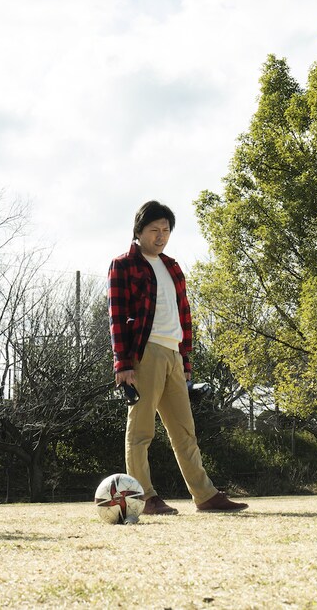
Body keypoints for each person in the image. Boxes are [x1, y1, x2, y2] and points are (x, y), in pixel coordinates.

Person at [108, 200, 247, 515]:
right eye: (154, 230)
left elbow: (185, 317)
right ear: (139, 231)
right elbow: (116, 319)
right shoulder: (123, 264)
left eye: (166, 230)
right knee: (141, 431)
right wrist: (123, 364)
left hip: (173, 352)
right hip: (144, 354)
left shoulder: (172, 267)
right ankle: (144, 498)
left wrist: (185, 363)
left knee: (185, 431)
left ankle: (206, 496)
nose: (160, 236)